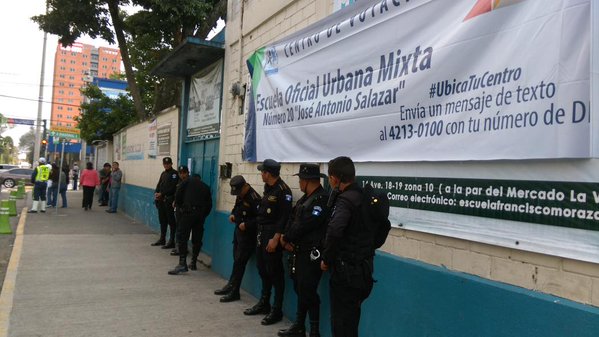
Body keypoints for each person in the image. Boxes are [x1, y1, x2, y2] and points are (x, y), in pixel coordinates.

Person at [320, 156, 377, 337]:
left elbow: (335, 231)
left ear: (335, 179)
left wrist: (326, 259)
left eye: (330, 178)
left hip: (346, 274)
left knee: (341, 323)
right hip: (364, 270)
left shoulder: (345, 200)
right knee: (352, 321)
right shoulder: (364, 197)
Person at [278, 164, 329, 337]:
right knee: (300, 288)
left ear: (308, 181)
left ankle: (314, 330)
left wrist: (287, 238)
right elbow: (292, 219)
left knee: (308, 290)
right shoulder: (304, 199)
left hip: (311, 253)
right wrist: (285, 237)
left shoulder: (321, 199)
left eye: (300, 179)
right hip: (298, 252)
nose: (299, 183)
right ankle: (299, 326)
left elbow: (306, 224)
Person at [244, 159, 293, 326]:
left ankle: (276, 309)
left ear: (268, 173)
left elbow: (285, 217)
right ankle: (264, 303)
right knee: (262, 269)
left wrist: (276, 238)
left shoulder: (283, 191)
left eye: (262, 171)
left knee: (275, 272)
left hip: (273, 235)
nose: (261, 174)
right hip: (262, 232)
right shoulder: (268, 188)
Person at [214, 175, 261, 302]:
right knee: (236, 261)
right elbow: (236, 208)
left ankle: (235, 291)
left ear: (245, 186)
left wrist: (247, 224)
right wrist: (233, 214)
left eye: (239, 191)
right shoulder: (241, 195)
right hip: (239, 234)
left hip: (248, 237)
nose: (238, 194)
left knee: (240, 263)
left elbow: (260, 218)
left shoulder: (254, 198)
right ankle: (231, 285)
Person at [168, 166, 212, 275]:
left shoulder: (185, 183)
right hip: (200, 215)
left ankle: (182, 263)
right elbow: (209, 205)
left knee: (182, 237)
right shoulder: (205, 187)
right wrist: (203, 215)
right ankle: (193, 262)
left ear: (188, 174)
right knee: (197, 238)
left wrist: (179, 207)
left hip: (187, 214)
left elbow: (177, 197)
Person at [151, 157, 179, 248]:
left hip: (168, 200)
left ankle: (171, 241)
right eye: (165, 164)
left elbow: (173, 188)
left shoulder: (174, 174)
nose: (166, 165)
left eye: (168, 164)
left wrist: (161, 193)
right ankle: (162, 239)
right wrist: (156, 193)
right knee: (162, 221)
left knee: (171, 221)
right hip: (161, 201)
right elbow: (159, 184)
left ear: (171, 164)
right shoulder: (163, 173)